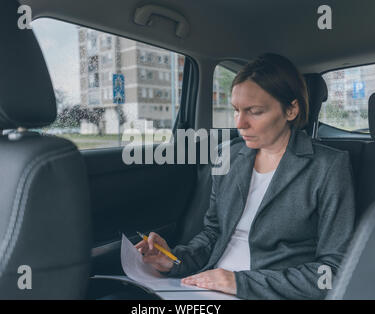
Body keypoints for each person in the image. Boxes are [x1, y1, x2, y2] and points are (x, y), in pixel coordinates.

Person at [135, 53, 356, 299]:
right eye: (236, 110)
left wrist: (240, 282)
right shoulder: (227, 157)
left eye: (255, 111)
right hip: (206, 287)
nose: (240, 123)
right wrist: (174, 260)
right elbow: (213, 234)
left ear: (291, 110)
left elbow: (332, 271)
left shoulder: (328, 166)